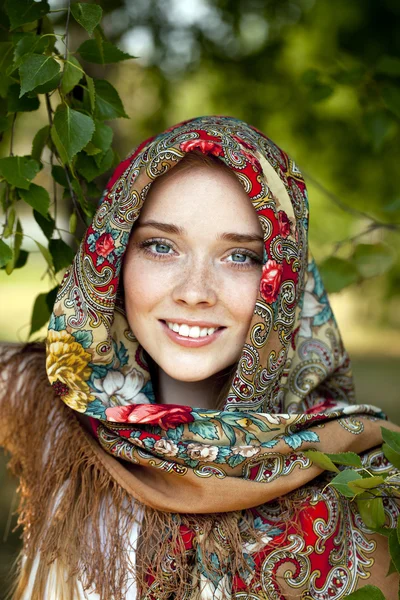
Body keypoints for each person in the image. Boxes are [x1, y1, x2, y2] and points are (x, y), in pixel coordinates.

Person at [1, 115, 399, 600]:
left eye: (241, 256)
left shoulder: (362, 480)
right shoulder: (53, 409)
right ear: (113, 259)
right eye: (161, 246)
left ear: (285, 279)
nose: (195, 292)